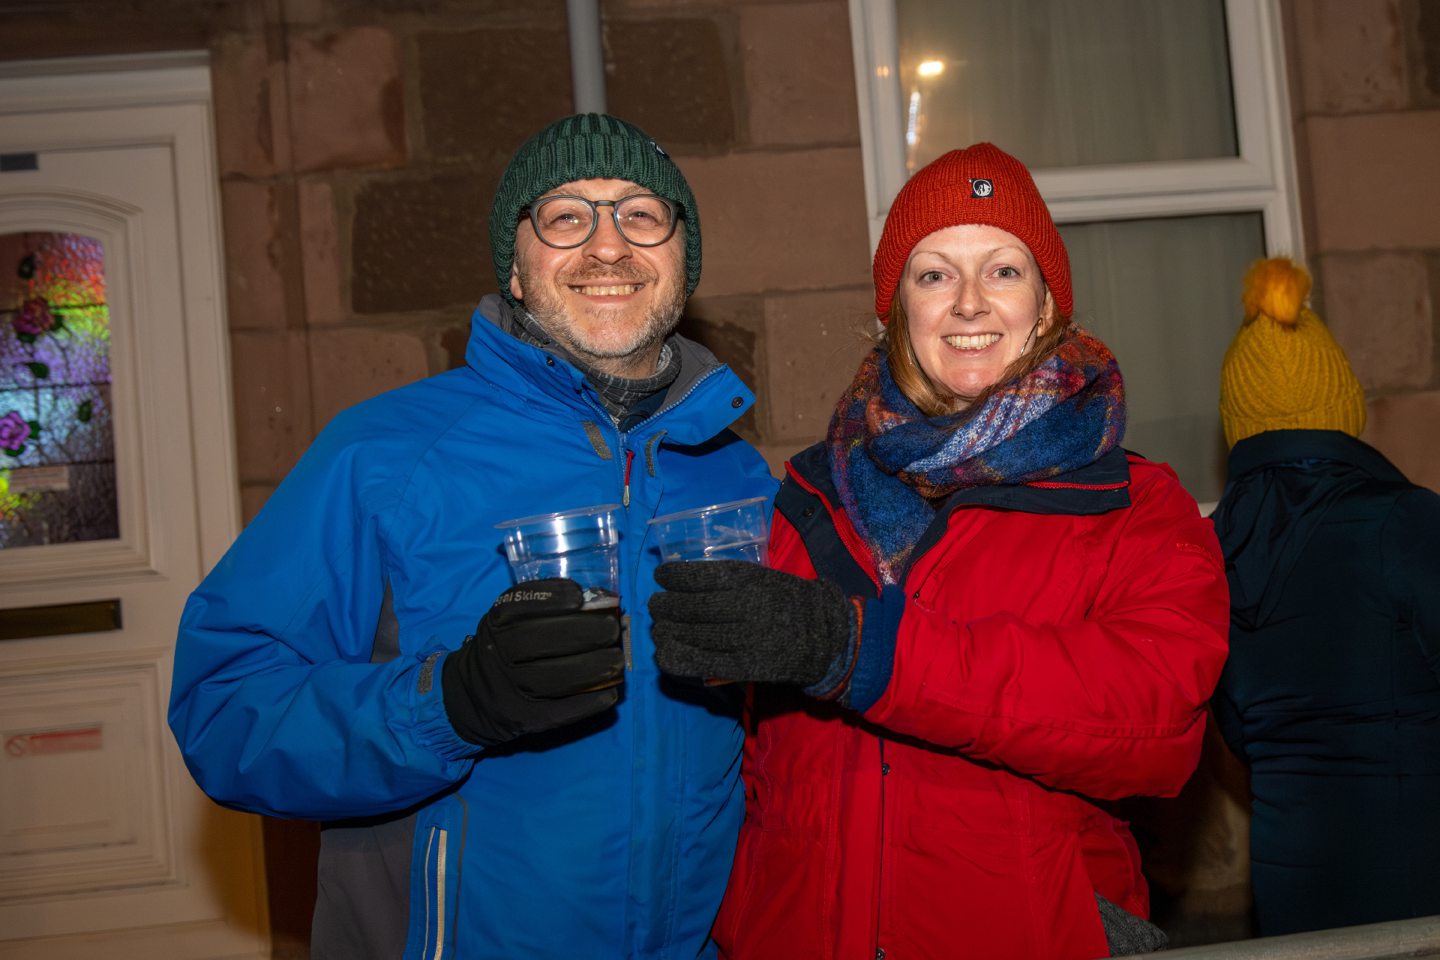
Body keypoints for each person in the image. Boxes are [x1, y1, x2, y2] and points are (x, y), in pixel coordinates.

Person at [168, 113, 777, 959]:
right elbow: (224, 712)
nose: (609, 246)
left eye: (642, 214)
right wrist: (448, 705)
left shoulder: (735, 474)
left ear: (682, 258)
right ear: (518, 272)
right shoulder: (384, 456)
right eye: (566, 217)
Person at [648, 143, 1231, 959]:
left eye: (1002, 270)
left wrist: (864, 652)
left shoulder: (1134, 504)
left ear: (1047, 302)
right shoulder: (814, 492)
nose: (966, 304)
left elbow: (1155, 723)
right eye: (933, 275)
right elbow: (749, 753)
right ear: (898, 308)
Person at [1209, 256, 1440, 937]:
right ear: (1343, 402)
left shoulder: (1206, 553)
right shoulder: (1403, 522)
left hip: (1293, 895)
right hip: (1420, 886)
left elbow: (1239, 732)